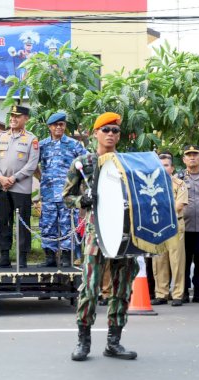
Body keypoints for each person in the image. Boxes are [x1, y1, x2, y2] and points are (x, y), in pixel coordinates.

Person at [64, 112, 138, 362]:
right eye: (105, 130)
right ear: (96, 133)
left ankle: (113, 342)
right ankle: (83, 342)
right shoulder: (82, 162)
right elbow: (66, 196)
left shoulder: (127, 162)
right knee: (90, 288)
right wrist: (81, 200)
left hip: (124, 234)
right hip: (97, 233)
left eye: (115, 131)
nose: (110, 134)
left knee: (123, 288)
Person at [0, 105, 39, 268]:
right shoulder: (0, 137)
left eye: (17, 116)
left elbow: (32, 165)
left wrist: (13, 178)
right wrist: (0, 177)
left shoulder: (31, 139)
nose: (13, 119)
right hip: (2, 187)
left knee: (23, 222)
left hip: (21, 189)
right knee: (3, 221)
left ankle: (22, 257)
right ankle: (4, 256)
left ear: (26, 119)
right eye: (11, 116)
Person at [38, 112, 87, 268]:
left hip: (68, 194)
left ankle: (67, 257)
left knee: (67, 224)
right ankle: (50, 258)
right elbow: (32, 165)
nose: (59, 127)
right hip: (48, 193)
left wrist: (78, 185)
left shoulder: (74, 145)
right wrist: (42, 179)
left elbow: (86, 164)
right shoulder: (42, 145)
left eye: (61, 124)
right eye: (55, 125)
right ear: (49, 127)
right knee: (47, 224)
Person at [151, 152, 187, 306]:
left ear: (172, 168)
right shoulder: (150, 185)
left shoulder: (180, 184)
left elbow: (179, 205)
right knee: (159, 261)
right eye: (159, 165)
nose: (163, 168)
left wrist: (159, 210)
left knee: (177, 261)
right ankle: (161, 294)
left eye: (166, 165)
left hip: (174, 225)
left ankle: (178, 294)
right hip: (157, 226)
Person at [178, 145, 199, 303]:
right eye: (188, 155)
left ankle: (198, 293)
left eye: (195, 155)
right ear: (183, 159)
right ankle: (182, 292)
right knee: (183, 261)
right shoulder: (179, 178)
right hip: (184, 226)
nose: (192, 157)